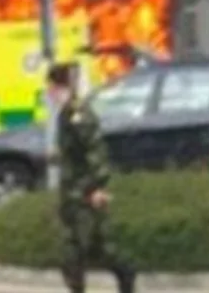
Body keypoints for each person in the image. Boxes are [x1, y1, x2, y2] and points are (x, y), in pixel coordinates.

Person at [47, 63, 136, 293]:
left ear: (62, 87)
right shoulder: (66, 114)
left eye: (53, 88)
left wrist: (96, 188)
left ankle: (125, 272)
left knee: (87, 249)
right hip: (72, 194)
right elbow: (73, 153)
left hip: (84, 194)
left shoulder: (79, 116)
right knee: (76, 251)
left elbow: (96, 153)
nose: (50, 94)